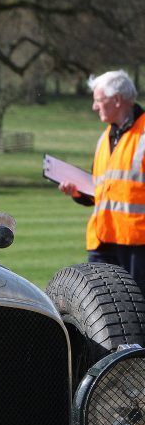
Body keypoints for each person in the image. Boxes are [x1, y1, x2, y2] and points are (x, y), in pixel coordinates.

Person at [59, 70, 145, 290]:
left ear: (116, 100)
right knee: (102, 312)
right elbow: (103, 190)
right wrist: (77, 191)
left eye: (98, 100)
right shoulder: (105, 137)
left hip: (137, 245)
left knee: (137, 315)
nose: (94, 107)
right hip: (103, 241)